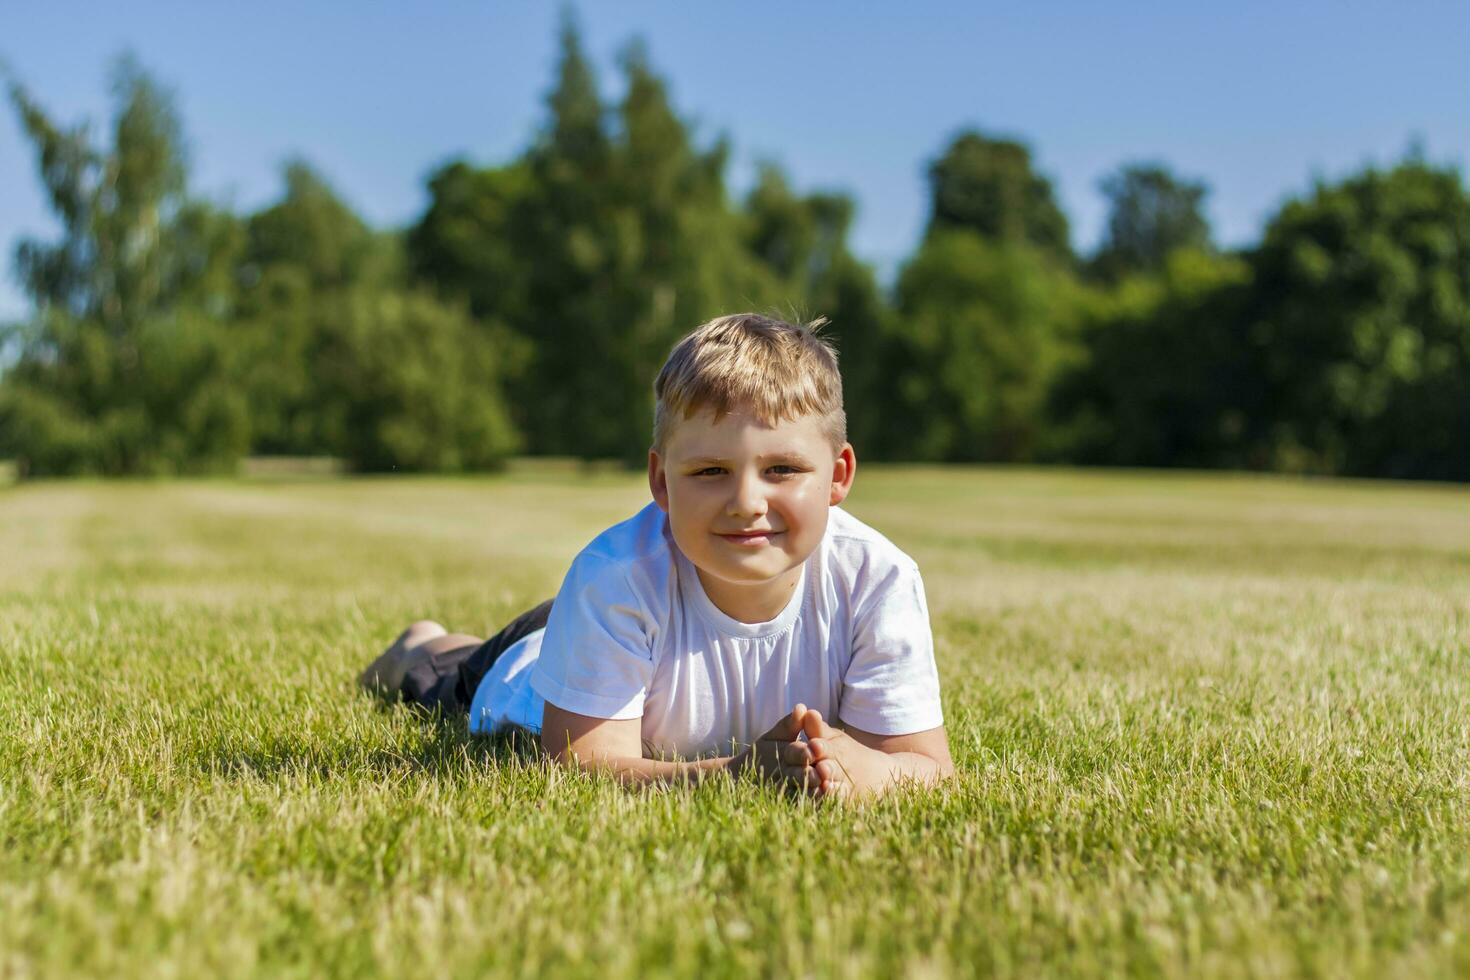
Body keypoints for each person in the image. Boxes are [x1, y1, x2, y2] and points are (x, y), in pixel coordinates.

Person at [358, 313, 953, 799]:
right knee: (445, 671)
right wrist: (735, 776)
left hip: (622, 643)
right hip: (535, 665)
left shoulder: (878, 580)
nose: (748, 502)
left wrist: (862, 770)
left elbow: (925, 766)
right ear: (662, 481)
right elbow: (574, 764)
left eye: (783, 469)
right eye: (711, 471)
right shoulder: (615, 579)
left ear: (838, 475)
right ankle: (421, 642)